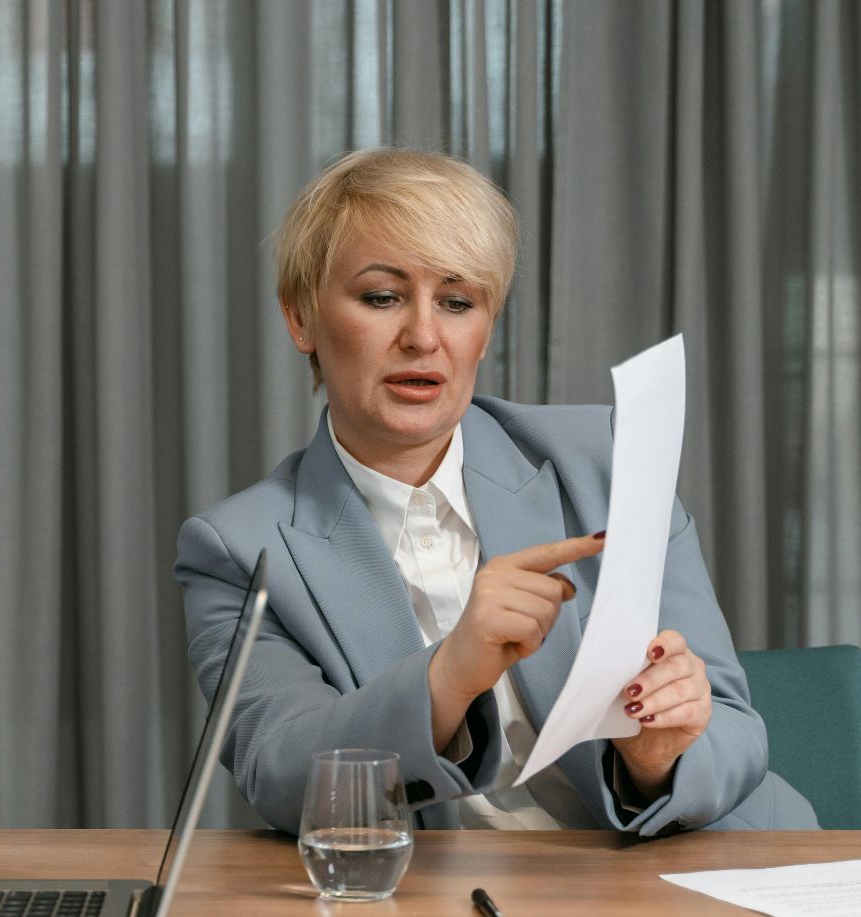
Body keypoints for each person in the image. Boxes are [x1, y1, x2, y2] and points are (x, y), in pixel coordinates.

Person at [175, 148, 817, 835]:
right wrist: (448, 677)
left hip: (680, 881)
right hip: (440, 915)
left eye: (457, 303)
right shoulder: (238, 549)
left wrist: (659, 759)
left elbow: (735, 727)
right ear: (301, 318)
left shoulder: (607, 457)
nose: (423, 337)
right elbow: (283, 775)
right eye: (382, 297)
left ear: (484, 332)